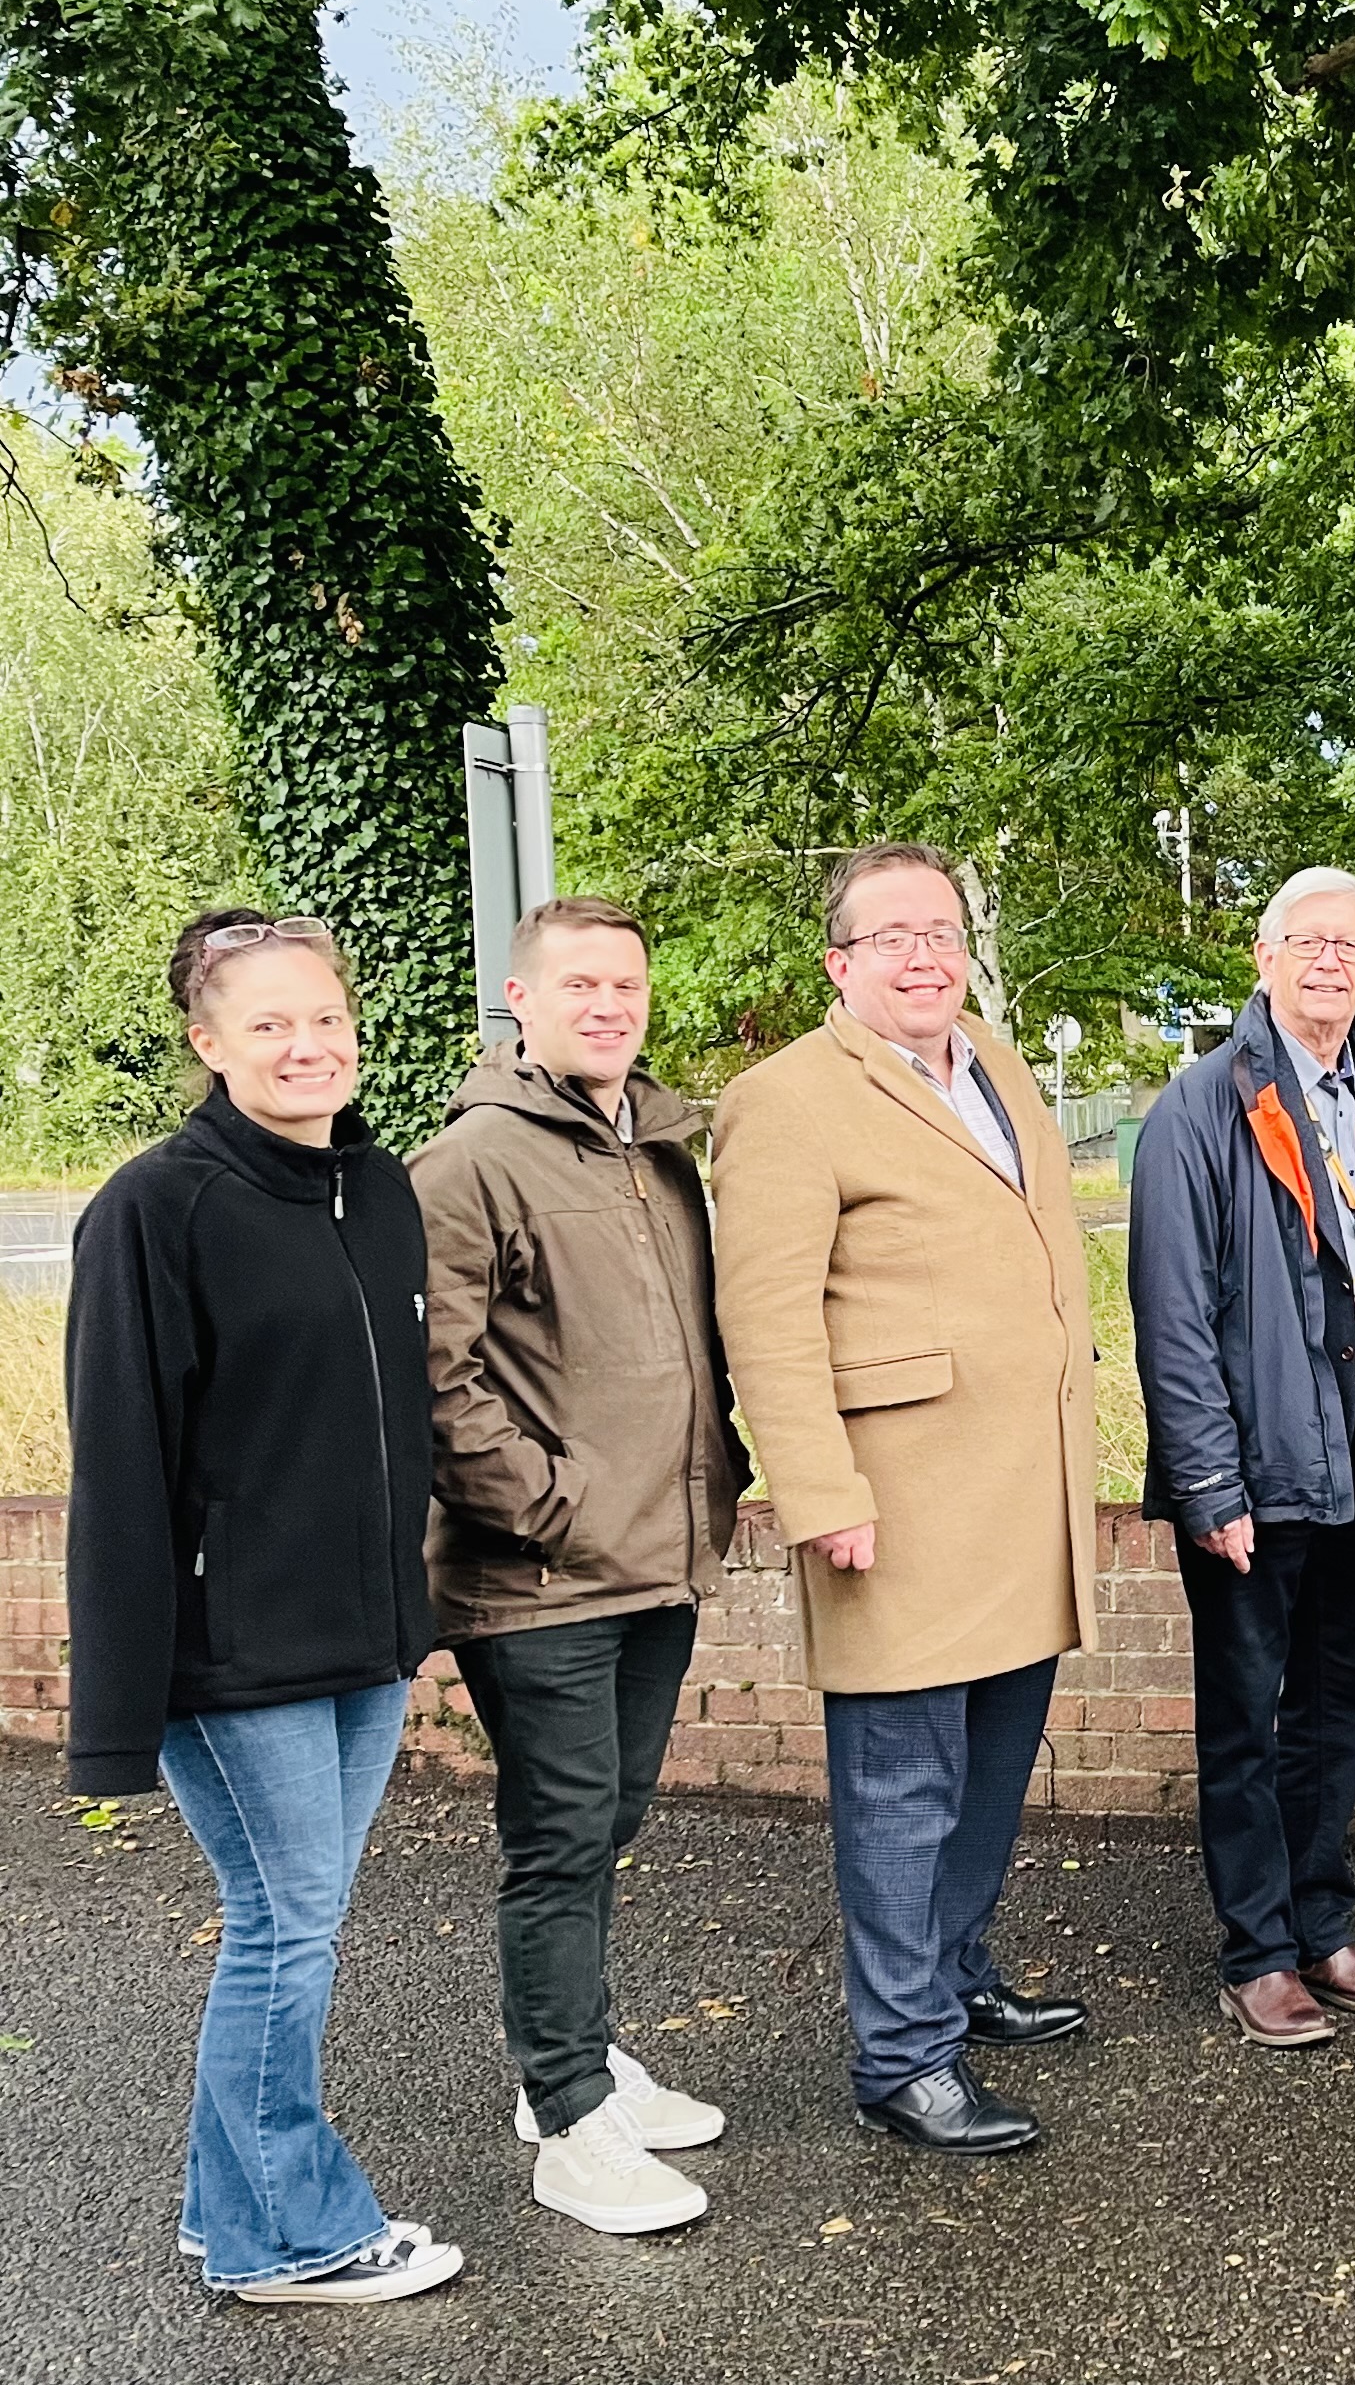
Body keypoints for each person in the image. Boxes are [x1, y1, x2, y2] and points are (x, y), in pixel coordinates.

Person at [62, 911, 461, 2303]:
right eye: (269, 1022)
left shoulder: (377, 1185)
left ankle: (224, 2207)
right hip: (230, 1651)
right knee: (287, 1924)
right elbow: (118, 1457)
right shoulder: (153, 1206)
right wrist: (117, 1706)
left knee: (294, 1916)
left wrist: (413, 1613)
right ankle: (294, 2235)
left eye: (326, 1016)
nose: (308, 1046)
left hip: (361, 1635)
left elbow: (390, 1425)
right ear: (207, 1040)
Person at [712, 843, 1097, 2154]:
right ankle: (900, 2056)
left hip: (1016, 1492)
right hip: (898, 1500)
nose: (924, 955)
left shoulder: (991, 1055)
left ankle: (953, 1974)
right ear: (840, 963)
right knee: (898, 1784)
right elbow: (765, 1314)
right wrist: (821, 1492)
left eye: (940, 931)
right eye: (891, 936)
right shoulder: (786, 1098)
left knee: (990, 1764)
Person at [410, 897, 743, 2234]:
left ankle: (573, 2056)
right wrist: (551, 1508)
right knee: (558, 1839)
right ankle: (565, 2121)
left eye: (626, 985)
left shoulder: (653, 1150)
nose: (608, 1004)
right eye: (581, 985)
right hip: (540, 1577)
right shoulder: (470, 1163)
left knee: (603, 1823)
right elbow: (434, 1374)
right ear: (522, 1000)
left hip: (653, 1562)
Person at [1130, 867, 1355, 2050]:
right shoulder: (1200, 1105)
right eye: (1305, 942)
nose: (1328, 963)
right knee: (1249, 1717)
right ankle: (1257, 1951)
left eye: (1350, 947)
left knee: (1341, 1707)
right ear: (1262, 958)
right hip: (1255, 1468)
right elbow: (1172, 1315)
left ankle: (1324, 1926)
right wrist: (1211, 1482)